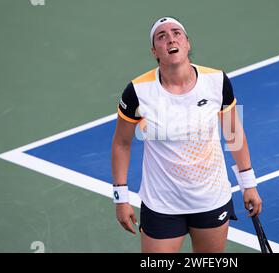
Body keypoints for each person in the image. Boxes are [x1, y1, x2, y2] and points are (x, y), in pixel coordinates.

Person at [111, 16, 262, 253]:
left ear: (187, 43)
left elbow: (234, 134)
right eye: (161, 36)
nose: (170, 38)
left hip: (211, 199)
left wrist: (248, 184)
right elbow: (121, 143)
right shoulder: (138, 92)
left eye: (176, 33)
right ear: (155, 51)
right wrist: (120, 197)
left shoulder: (217, 81)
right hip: (162, 204)